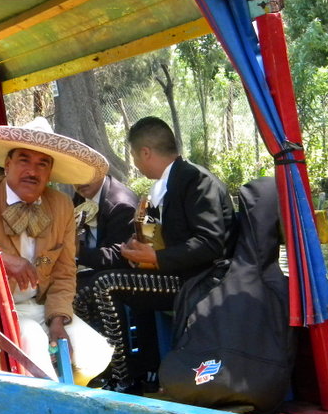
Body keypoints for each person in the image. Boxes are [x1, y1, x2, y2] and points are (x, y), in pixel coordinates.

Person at [0, 118, 113, 385]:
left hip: (40, 306)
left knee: (96, 355)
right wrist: (1, 260)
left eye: (42, 164)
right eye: (24, 160)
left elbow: (64, 273)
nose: (32, 171)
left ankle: (63, 396)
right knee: (35, 349)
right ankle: (52, 408)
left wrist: (58, 319)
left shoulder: (60, 205)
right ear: (8, 164)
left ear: (49, 173)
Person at [75, 116, 236, 392]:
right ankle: (121, 367)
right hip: (173, 275)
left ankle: (123, 379)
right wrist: (135, 249)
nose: (136, 164)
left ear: (145, 152)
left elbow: (211, 244)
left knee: (105, 283)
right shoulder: (167, 185)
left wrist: (156, 258)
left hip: (200, 280)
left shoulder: (196, 181)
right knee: (91, 284)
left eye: (136, 157)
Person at [73, 174, 138, 273]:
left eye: (85, 171)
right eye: (72, 174)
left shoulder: (121, 205)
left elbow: (121, 257)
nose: (79, 180)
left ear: (100, 170)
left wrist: (77, 251)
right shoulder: (81, 194)